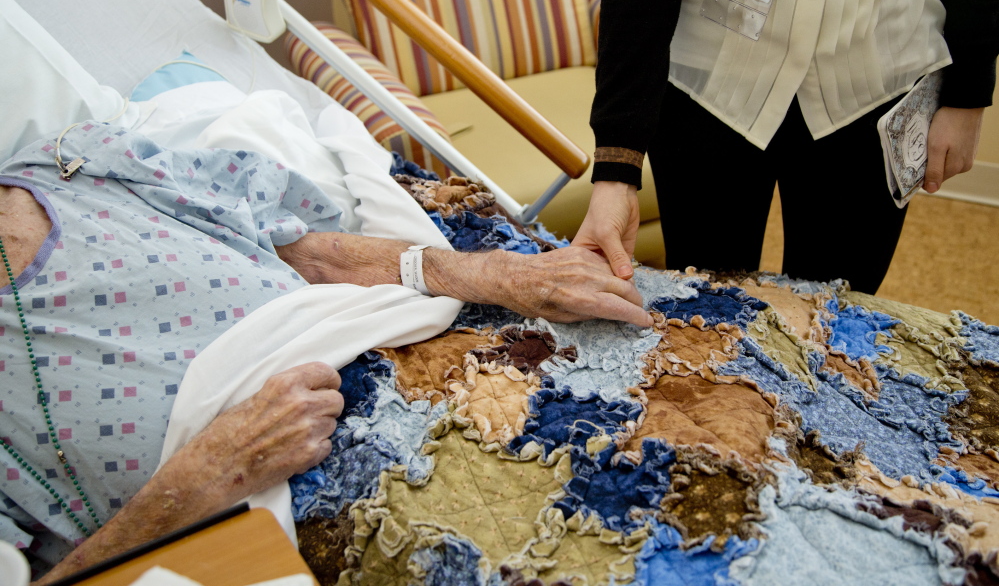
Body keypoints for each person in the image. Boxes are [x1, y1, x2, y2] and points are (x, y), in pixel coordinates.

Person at [0, 122, 651, 584]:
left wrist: (496, 274)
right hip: (319, 493)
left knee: (658, 349)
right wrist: (204, 477)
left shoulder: (79, 162)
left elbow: (307, 250)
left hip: (413, 348)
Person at [573, 0, 998, 294]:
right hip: (710, 86)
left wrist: (969, 93)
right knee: (705, 321)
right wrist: (617, 168)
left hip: (874, 81)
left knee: (836, 335)